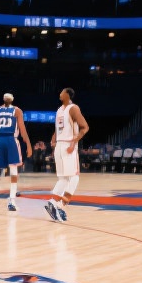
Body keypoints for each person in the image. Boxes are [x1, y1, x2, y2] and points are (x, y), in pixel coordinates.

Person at [44, 87, 89, 223]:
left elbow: (84, 127)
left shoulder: (73, 108)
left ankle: (54, 201)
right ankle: (60, 204)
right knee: (74, 177)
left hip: (65, 144)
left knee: (63, 178)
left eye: (62, 91)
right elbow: (59, 129)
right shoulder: (60, 109)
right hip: (64, 145)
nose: (60, 93)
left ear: (68, 95)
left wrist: (73, 141)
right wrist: (54, 139)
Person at [0, 92, 31, 211]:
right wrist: (29, 145)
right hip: (11, 140)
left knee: (2, 167)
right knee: (14, 170)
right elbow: (22, 129)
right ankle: (12, 199)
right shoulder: (17, 110)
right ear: (12, 100)